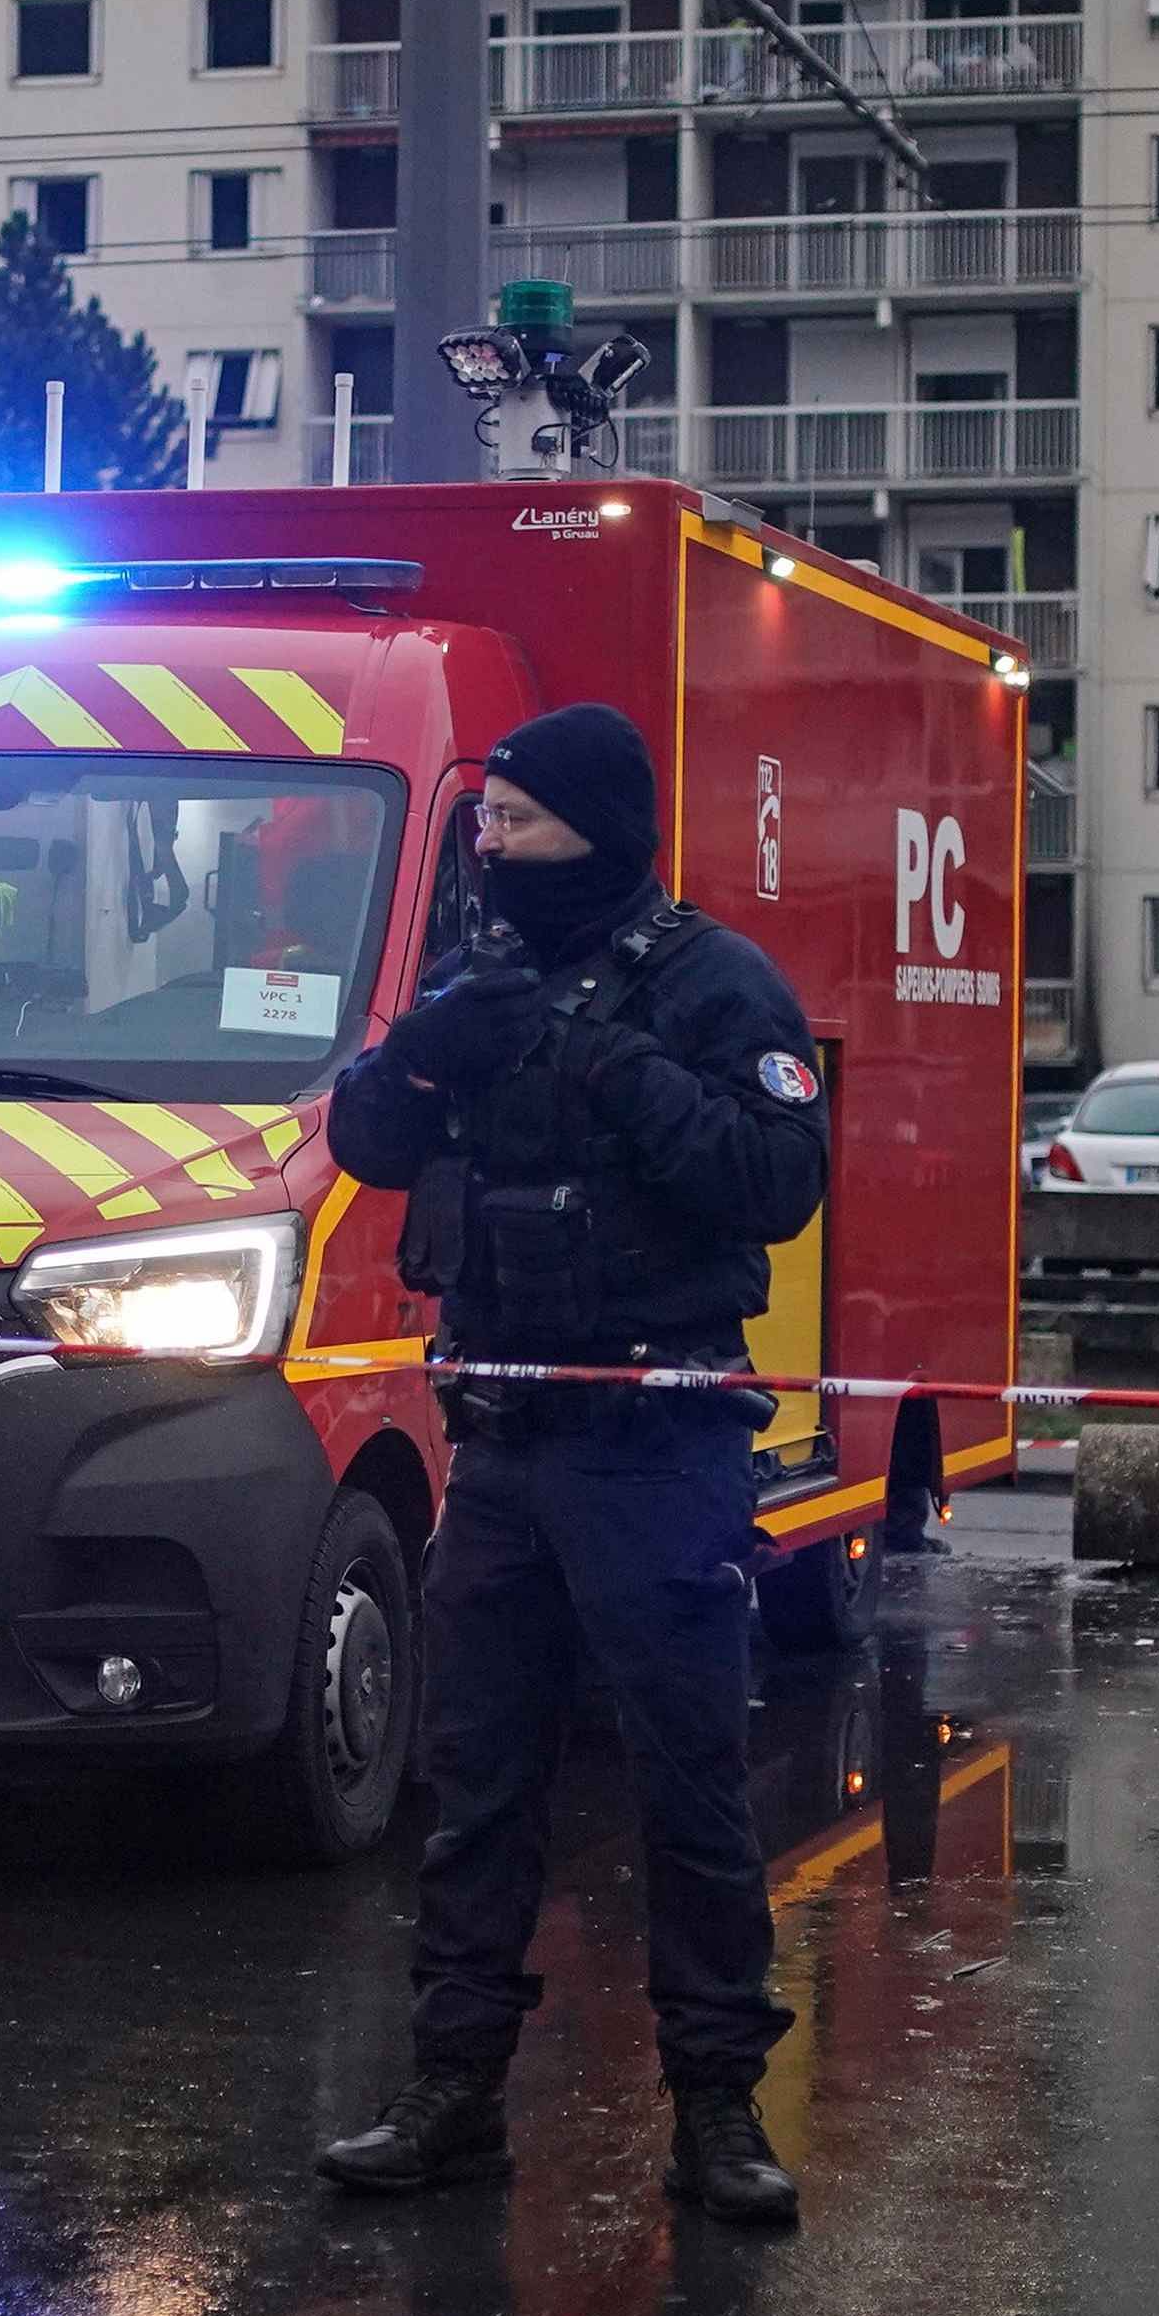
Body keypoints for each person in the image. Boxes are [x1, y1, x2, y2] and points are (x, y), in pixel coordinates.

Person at [312, 705, 830, 2227]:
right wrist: (418, 1060)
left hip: (658, 1443)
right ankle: (453, 2091)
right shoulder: (479, 980)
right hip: (508, 1450)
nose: (492, 845)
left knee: (690, 1788)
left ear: (597, 830)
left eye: (518, 824)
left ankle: (719, 2107)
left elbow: (781, 1181)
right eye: (486, 823)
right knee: (476, 1787)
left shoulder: (715, 985)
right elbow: (363, 1145)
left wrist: (621, 1077)